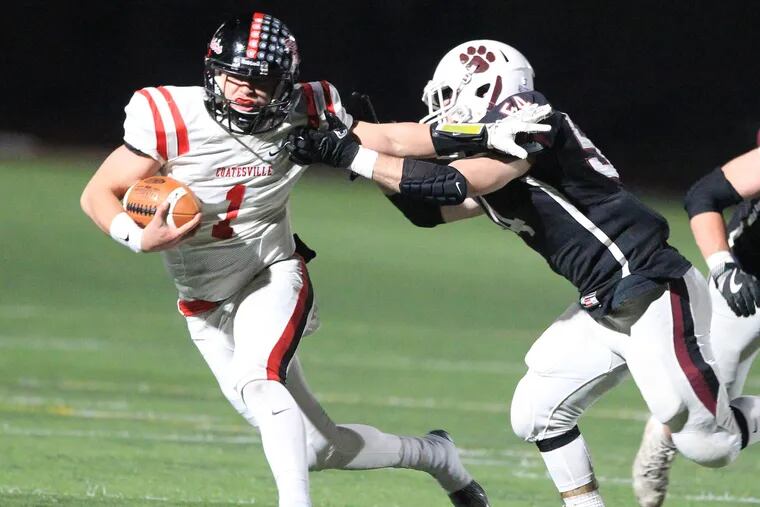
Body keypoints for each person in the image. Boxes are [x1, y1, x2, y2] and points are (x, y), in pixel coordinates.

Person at [79, 13, 552, 507]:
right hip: (203, 306)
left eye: (262, 81)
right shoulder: (169, 117)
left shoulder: (308, 108)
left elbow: (392, 140)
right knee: (316, 448)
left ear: (284, 84)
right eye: (235, 77)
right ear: (212, 72)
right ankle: (436, 456)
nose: (246, 91)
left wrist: (484, 133)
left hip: (269, 273)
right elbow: (98, 193)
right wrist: (137, 237)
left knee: (260, 382)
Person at [285, 39, 760, 507]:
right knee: (536, 412)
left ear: (484, 87)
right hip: (604, 300)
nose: (440, 109)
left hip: (651, 287)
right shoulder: (497, 141)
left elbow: (455, 184)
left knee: (709, 446)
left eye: (449, 95)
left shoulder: (531, 123)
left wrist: (352, 154)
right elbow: (425, 209)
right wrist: (351, 144)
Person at [632, 141, 760, 506]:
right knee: (712, 439)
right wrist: (723, 267)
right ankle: (665, 432)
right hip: (751, 283)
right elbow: (705, 195)